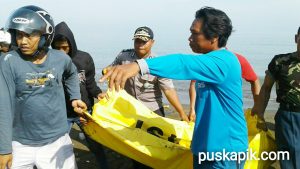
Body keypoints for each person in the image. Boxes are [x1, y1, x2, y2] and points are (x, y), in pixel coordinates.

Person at [98, 7, 248, 169]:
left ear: (214, 37)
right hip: (203, 148)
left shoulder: (224, 62)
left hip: (225, 151)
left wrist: (139, 65)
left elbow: (182, 63)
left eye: (194, 33)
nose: (189, 38)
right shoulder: (209, 62)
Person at [0, 5, 87, 169]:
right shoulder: (8, 62)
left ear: (44, 35)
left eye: (29, 35)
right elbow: (3, 107)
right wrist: (4, 149)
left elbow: (71, 73)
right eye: (19, 34)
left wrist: (75, 96)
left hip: (57, 141)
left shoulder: (60, 59)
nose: (22, 41)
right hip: (19, 143)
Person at [51, 21, 108, 169]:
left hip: (84, 111)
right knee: (56, 147)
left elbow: (90, 83)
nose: (62, 52)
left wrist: (98, 94)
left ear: (71, 44)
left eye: (65, 47)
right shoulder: (49, 61)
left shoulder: (84, 58)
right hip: (62, 113)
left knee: (95, 145)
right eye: (57, 48)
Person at [109, 26, 189, 121]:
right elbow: (110, 72)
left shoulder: (158, 63)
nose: (140, 45)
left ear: (152, 42)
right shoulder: (123, 56)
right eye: (137, 41)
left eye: (144, 42)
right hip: (128, 106)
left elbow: (168, 90)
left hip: (152, 109)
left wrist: (182, 113)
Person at [252, 27, 300, 169]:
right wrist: (260, 114)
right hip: (288, 117)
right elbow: (266, 88)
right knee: (291, 158)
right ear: (296, 38)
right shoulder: (280, 61)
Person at [189, 52, 260, 121]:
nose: (190, 39)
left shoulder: (237, 59)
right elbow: (193, 84)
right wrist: (192, 109)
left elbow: (254, 80)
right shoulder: (202, 61)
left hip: (230, 110)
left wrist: (257, 106)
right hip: (206, 109)